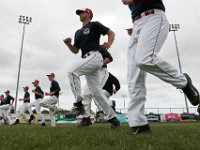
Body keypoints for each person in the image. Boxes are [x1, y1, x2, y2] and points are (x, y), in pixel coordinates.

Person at [121, 0, 200, 134]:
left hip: (154, 17)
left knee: (144, 59)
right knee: (133, 77)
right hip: (137, 23)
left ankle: (183, 81)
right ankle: (139, 125)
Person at [63, 8, 120, 127]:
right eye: (79, 13)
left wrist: (108, 44)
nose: (80, 14)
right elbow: (75, 50)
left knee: (71, 71)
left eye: (82, 12)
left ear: (88, 14)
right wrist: (69, 44)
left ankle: (78, 104)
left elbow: (111, 33)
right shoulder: (78, 32)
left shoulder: (94, 25)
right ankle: (113, 118)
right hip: (86, 59)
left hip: (95, 56)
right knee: (97, 93)